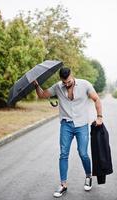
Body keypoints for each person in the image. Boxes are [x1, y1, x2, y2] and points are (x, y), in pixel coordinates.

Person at [33, 66, 103, 198]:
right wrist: (37, 85)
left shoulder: (85, 84)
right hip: (66, 125)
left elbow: (96, 99)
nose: (66, 84)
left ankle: (88, 176)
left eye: (68, 82)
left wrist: (99, 117)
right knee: (63, 154)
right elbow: (42, 95)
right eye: (64, 82)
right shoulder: (58, 86)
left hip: (82, 125)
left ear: (72, 75)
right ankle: (63, 184)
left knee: (83, 153)